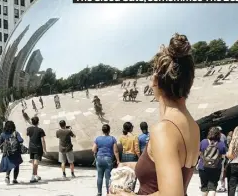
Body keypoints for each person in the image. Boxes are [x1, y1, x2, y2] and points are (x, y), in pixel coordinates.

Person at [118, 33, 200, 195]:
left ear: (155, 81)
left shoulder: (164, 130)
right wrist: (133, 165)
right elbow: (173, 171)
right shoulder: (193, 126)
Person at [93, 124, 120, 195]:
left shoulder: (98, 138)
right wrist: (118, 160)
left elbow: (94, 149)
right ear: (109, 130)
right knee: (108, 177)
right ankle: (108, 193)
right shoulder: (112, 139)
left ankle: (99, 193)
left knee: (99, 177)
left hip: (99, 158)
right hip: (108, 159)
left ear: (102, 130)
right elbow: (116, 151)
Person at [198, 127, 226, 196]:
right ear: (219, 134)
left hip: (203, 167)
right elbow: (223, 156)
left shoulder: (203, 142)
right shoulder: (221, 144)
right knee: (212, 188)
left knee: (204, 187)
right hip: (216, 168)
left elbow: (199, 153)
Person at [26, 116, 46, 183]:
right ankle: (32, 176)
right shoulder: (40, 130)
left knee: (34, 162)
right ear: (38, 122)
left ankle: (36, 175)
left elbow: (27, 135)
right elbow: (43, 140)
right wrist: (45, 149)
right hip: (38, 147)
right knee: (36, 162)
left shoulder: (29, 129)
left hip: (31, 147)